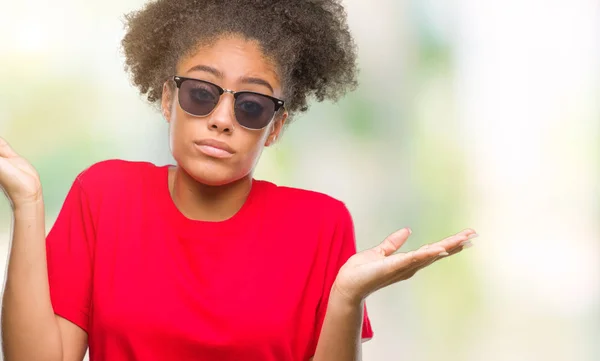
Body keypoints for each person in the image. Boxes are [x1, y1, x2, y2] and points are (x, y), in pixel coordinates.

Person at [0, 1, 478, 360]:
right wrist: (27, 203)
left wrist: (348, 298)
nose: (221, 119)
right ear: (168, 99)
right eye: (202, 93)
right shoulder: (105, 195)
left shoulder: (319, 223)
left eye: (251, 105)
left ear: (275, 127)